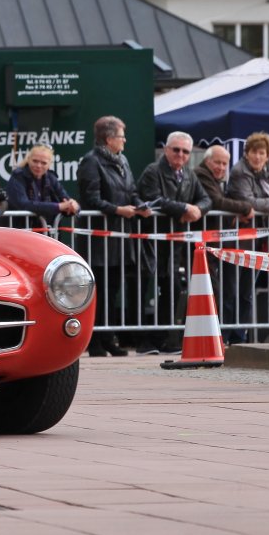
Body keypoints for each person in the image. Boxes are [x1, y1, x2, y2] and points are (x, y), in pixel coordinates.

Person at [77, 116, 149, 357]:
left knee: (112, 290)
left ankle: (108, 338)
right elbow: (91, 199)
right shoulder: (91, 161)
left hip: (119, 239)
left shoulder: (123, 160)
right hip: (98, 241)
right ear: (109, 139)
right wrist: (118, 210)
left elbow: (132, 191)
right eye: (121, 136)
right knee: (98, 291)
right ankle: (94, 341)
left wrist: (140, 206)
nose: (124, 140)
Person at [138, 131, 212, 354]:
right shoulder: (153, 171)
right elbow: (154, 198)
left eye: (185, 151)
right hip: (151, 241)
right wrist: (184, 209)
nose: (181, 154)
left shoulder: (189, 174)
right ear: (166, 149)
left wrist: (197, 210)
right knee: (145, 290)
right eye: (176, 149)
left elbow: (206, 199)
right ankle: (143, 341)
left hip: (174, 245)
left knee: (172, 289)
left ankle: (164, 339)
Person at [225, 132, 269, 339]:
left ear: (267, 155)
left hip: (261, 237)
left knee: (247, 290)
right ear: (247, 153)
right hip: (237, 237)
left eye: (262, 153)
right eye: (254, 152)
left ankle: (240, 336)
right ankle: (226, 334)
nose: (257, 157)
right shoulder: (239, 171)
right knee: (232, 289)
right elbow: (249, 201)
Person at [195, 145, 255, 344]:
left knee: (224, 292)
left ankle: (221, 336)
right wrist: (245, 207)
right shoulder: (201, 174)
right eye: (217, 162)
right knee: (215, 292)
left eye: (224, 164)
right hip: (202, 245)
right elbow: (216, 202)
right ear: (207, 161)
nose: (221, 167)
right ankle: (213, 337)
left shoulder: (216, 179)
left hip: (215, 244)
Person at [6, 144, 79, 225]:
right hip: (20, 229)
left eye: (43, 163)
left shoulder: (51, 178)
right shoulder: (18, 176)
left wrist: (73, 206)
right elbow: (24, 204)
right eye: (35, 161)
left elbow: (67, 201)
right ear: (28, 159)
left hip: (46, 230)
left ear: (49, 164)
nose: (38, 165)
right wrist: (58, 207)